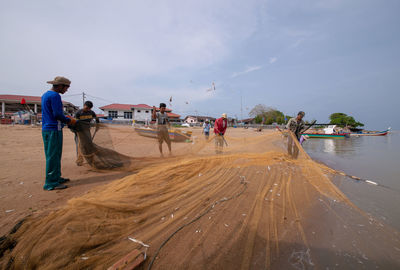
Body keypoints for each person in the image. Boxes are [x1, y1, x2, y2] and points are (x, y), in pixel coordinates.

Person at [41, 76, 76, 190]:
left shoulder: (46, 95)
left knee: (54, 155)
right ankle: (50, 182)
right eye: (66, 87)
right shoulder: (55, 96)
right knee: (53, 156)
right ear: (60, 86)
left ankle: (56, 177)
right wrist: (69, 120)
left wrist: (65, 117)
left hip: (47, 129)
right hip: (53, 129)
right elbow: (56, 114)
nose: (67, 90)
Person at [74, 101, 99, 166]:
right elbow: (74, 122)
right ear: (84, 105)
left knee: (88, 144)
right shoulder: (78, 112)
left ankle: (90, 159)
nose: (88, 109)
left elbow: (96, 119)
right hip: (79, 131)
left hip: (87, 130)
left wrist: (97, 126)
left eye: (89, 108)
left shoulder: (91, 112)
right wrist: (75, 130)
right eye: (87, 108)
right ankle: (79, 160)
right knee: (80, 145)